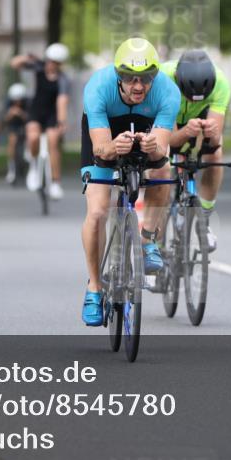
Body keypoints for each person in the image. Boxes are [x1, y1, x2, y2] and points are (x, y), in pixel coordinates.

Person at [79, 38, 180, 326]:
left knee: (163, 172)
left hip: (146, 132)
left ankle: (148, 239)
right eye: (130, 78)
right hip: (107, 134)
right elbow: (100, 149)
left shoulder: (167, 91)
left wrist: (152, 148)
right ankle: (94, 288)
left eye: (146, 78)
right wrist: (113, 147)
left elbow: (161, 151)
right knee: (98, 211)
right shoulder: (98, 88)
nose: (138, 86)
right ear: (118, 76)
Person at [160, 49, 231, 253]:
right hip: (170, 120)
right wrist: (185, 132)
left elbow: (214, 140)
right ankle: (154, 241)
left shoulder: (221, 84)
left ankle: (204, 220)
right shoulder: (163, 80)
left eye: (198, 98)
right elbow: (169, 138)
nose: (193, 101)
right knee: (160, 166)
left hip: (198, 121)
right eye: (189, 96)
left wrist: (211, 132)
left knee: (215, 154)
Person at [11, 43, 70, 200]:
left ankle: (56, 182)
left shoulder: (62, 79)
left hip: (51, 114)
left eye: (56, 63)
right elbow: (15, 64)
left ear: (60, 64)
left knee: (53, 141)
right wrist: (27, 57)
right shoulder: (37, 68)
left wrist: (62, 120)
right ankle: (34, 167)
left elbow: (62, 101)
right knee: (33, 137)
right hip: (35, 111)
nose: (52, 65)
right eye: (50, 60)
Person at [4, 83, 30, 185]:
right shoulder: (8, 103)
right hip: (13, 126)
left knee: (30, 133)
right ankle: (11, 168)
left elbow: (31, 118)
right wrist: (11, 114)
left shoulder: (28, 103)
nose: (17, 102)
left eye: (19, 100)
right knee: (12, 140)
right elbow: (4, 120)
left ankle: (28, 154)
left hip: (26, 125)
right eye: (15, 100)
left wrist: (21, 113)